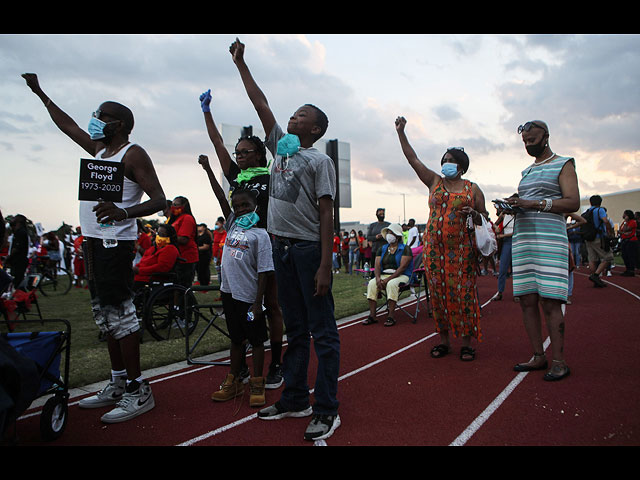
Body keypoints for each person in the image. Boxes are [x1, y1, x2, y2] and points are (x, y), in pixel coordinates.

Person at [23, 72, 167, 422]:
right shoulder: (100, 149)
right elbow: (69, 126)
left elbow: (161, 199)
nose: (94, 120)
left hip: (115, 243)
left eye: (100, 116)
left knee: (122, 315)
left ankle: (138, 388)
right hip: (91, 242)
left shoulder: (133, 154)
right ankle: (118, 382)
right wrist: (41, 93)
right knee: (105, 317)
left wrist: (123, 211)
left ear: (118, 124)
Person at [230, 37, 340, 441]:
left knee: (323, 332)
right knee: (296, 329)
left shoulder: (319, 160)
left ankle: (327, 408)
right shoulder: (280, 151)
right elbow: (261, 105)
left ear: (315, 129)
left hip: (310, 252)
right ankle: (296, 398)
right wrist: (242, 65)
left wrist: (326, 264)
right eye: (292, 114)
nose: (292, 118)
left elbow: (326, 212)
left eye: (301, 116)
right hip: (282, 250)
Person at [199, 91, 284, 388]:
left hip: (263, 245)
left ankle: (276, 364)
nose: (240, 157)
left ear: (260, 154)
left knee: (270, 305)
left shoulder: (272, 175)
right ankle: (242, 368)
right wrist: (206, 112)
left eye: (246, 152)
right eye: (238, 153)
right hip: (237, 248)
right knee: (238, 304)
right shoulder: (237, 176)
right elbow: (217, 143)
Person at [396, 117, 487, 361]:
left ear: (462, 166)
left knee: (463, 294)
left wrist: (476, 214)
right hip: (434, 251)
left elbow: (484, 218)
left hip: (462, 250)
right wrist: (401, 133)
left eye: (452, 161)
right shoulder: (434, 181)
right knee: (438, 294)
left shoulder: (473, 189)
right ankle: (444, 340)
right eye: (445, 160)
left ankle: (466, 342)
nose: (447, 164)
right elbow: (413, 159)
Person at [505, 120, 580, 382]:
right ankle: (539, 355)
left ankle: (559, 361)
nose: (528, 145)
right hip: (524, 238)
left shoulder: (564, 163)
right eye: (525, 141)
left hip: (550, 240)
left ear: (546, 137)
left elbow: (573, 201)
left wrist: (533, 202)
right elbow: (527, 199)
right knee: (526, 299)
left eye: (533, 140)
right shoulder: (526, 171)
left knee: (550, 301)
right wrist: (513, 203)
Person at [200, 161, 274, 408]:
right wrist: (209, 170)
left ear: (256, 207)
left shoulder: (260, 235)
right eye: (237, 206)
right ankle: (233, 381)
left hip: (250, 301)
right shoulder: (231, 224)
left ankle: (257, 382)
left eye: (246, 206)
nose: (241, 209)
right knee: (235, 340)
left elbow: (264, 272)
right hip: (230, 297)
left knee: (255, 341)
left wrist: (257, 303)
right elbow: (220, 195)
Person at [362, 223, 413, 327]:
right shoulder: (382, 248)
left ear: (398, 236)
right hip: (384, 275)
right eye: (388, 232)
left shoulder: (406, 248)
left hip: (401, 275)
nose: (389, 235)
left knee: (392, 284)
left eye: (392, 233)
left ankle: (391, 316)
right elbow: (376, 266)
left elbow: (402, 268)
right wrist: (377, 278)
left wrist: (388, 279)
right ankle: (372, 315)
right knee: (372, 284)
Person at [583, 195, 615, 288]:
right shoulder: (599, 210)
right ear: (600, 202)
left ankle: (596, 279)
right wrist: (610, 231)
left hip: (588, 238)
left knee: (593, 259)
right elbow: (605, 221)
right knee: (608, 256)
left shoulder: (587, 212)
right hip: (598, 237)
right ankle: (596, 275)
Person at [168, 196, 199, 289]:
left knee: (183, 287)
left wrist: (167, 238)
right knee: (178, 286)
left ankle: (189, 304)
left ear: (184, 206)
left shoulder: (187, 218)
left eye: (176, 205)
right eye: (172, 205)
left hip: (186, 257)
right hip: (178, 257)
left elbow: (184, 239)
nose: (173, 207)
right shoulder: (177, 219)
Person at [493, 207, 516, 301]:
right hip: (507, 242)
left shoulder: (518, 216)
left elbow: (516, 231)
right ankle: (500, 291)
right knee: (503, 268)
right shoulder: (503, 215)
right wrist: (497, 228)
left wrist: (502, 235)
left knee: (516, 269)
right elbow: (495, 224)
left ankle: (518, 294)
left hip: (515, 241)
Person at [5, 215, 30, 288]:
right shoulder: (17, 232)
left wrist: (9, 257)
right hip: (17, 261)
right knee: (17, 283)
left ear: (19, 221)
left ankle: (25, 298)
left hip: (19, 261)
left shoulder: (21, 232)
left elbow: (16, 248)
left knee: (18, 283)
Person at [619, 209, 637, 276]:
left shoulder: (632, 222)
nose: (623, 215)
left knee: (630, 255)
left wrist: (625, 223)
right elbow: (621, 230)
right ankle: (627, 269)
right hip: (624, 240)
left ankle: (631, 270)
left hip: (631, 240)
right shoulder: (624, 222)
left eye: (625, 214)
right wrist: (623, 232)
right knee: (624, 255)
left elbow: (625, 229)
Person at [212, 216, 226, 282]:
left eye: (217, 224)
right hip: (215, 255)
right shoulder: (215, 232)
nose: (216, 225)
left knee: (222, 273)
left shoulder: (224, 234)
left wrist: (218, 258)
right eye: (215, 224)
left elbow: (221, 246)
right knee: (218, 272)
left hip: (221, 256)